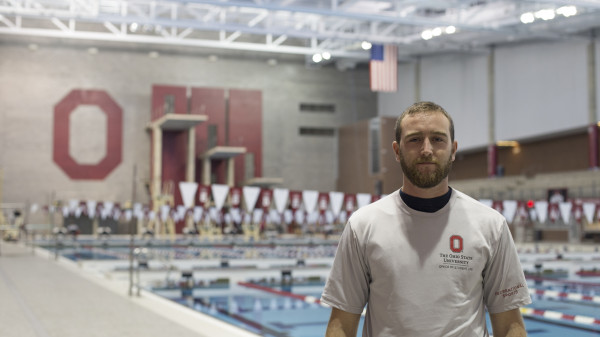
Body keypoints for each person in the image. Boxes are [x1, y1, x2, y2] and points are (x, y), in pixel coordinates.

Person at [321, 101, 531, 337]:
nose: (427, 150)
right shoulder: (364, 225)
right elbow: (341, 324)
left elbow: (510, 325)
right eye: (414, 139)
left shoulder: (490, 225)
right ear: (397, 150)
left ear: (453, 150)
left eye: (438, 139)